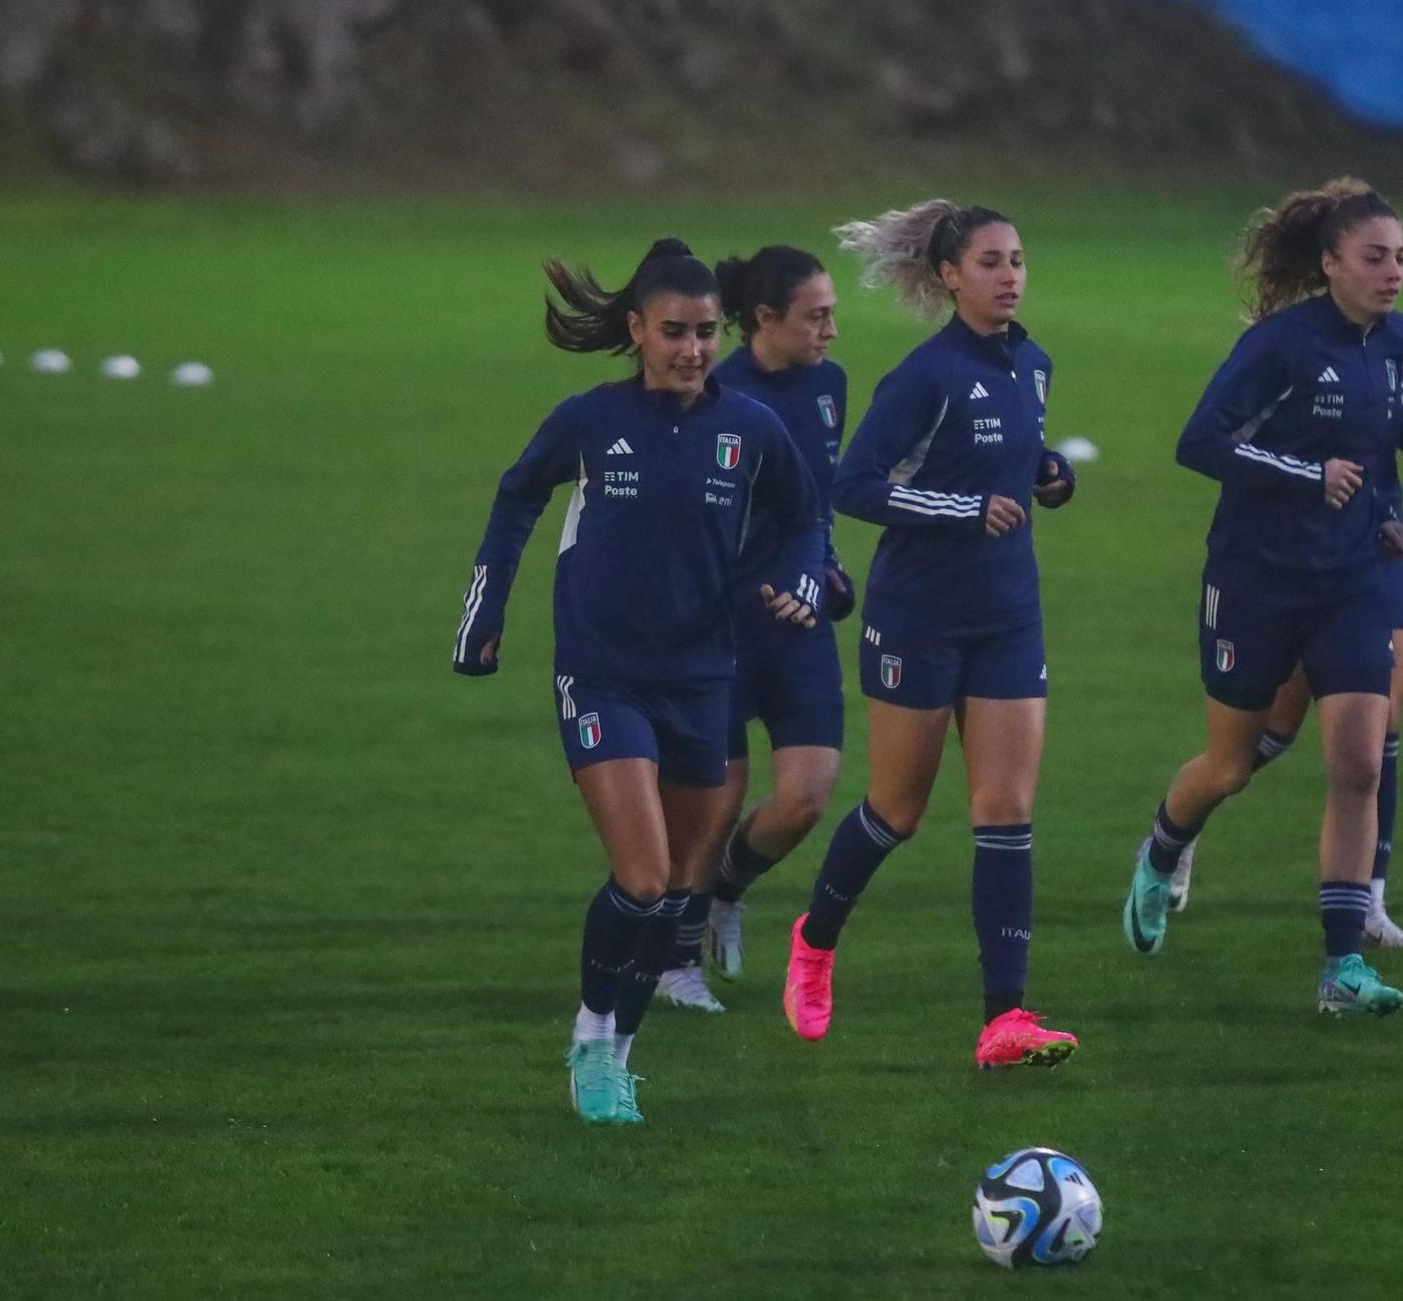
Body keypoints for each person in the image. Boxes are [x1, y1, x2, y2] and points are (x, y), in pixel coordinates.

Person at [453, 240, 825, 1123]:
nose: (692, 350)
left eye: (704, 333)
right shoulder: (589, 421)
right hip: (602, 674)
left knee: (677, 893)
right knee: (644, 874)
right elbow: (517, 496)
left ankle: (618, 1052)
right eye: (673, 333)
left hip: (702, 678)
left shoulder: (750, 430)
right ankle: (589, 1038)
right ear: (635, 331)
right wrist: (485, 608)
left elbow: (804, 516)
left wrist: (806, 579)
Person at [1123, 179, 1403, 1017]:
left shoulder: (1397, 339)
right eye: (1375, 257)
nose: (1393, 272)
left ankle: (1342, 968)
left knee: (1359, 761)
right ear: (1331, 262)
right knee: (1232, 764)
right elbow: (1200, 441)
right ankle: (1162, 851)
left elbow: (1368, 443)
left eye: (1402, 257)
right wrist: (1309, 474)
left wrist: (1399, 473)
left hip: (1350, 579)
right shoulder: (1281, 344)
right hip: (1256, 576)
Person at [779, 199, 1082, 1069]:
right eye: (990, 261)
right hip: (917, 615)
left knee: (1006, 807)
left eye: (1018, 259)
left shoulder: (1034, 366)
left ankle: (1005, 1018)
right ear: (950, 277)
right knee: (897, 809)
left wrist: (1046, 472)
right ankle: (815, 939)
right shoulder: (926, 375)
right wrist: (959, 508)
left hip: (1007, 614)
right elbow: (855, 484)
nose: (1010, 275)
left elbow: (1012, 459)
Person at [1157, 400, 1403, 951]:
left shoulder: (1390, 335)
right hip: (1301, 551)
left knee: (1381, 721)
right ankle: (1183, 820)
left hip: (1377, 540)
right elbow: (1213, 440)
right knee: (1265, 738)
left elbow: (1372, 412)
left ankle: (1368, 907)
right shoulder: (1287, 348)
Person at [651, 246, 855, 1012]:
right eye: (817, 315)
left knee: (806, 796)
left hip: (799, 622)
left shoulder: (830, 386)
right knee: (716, 801)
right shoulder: (712, 393)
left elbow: (815, 504)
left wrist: (826, 571)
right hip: (719, 630)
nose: (832, 330)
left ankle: (725, 891)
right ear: (765, 319)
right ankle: (674, 960)